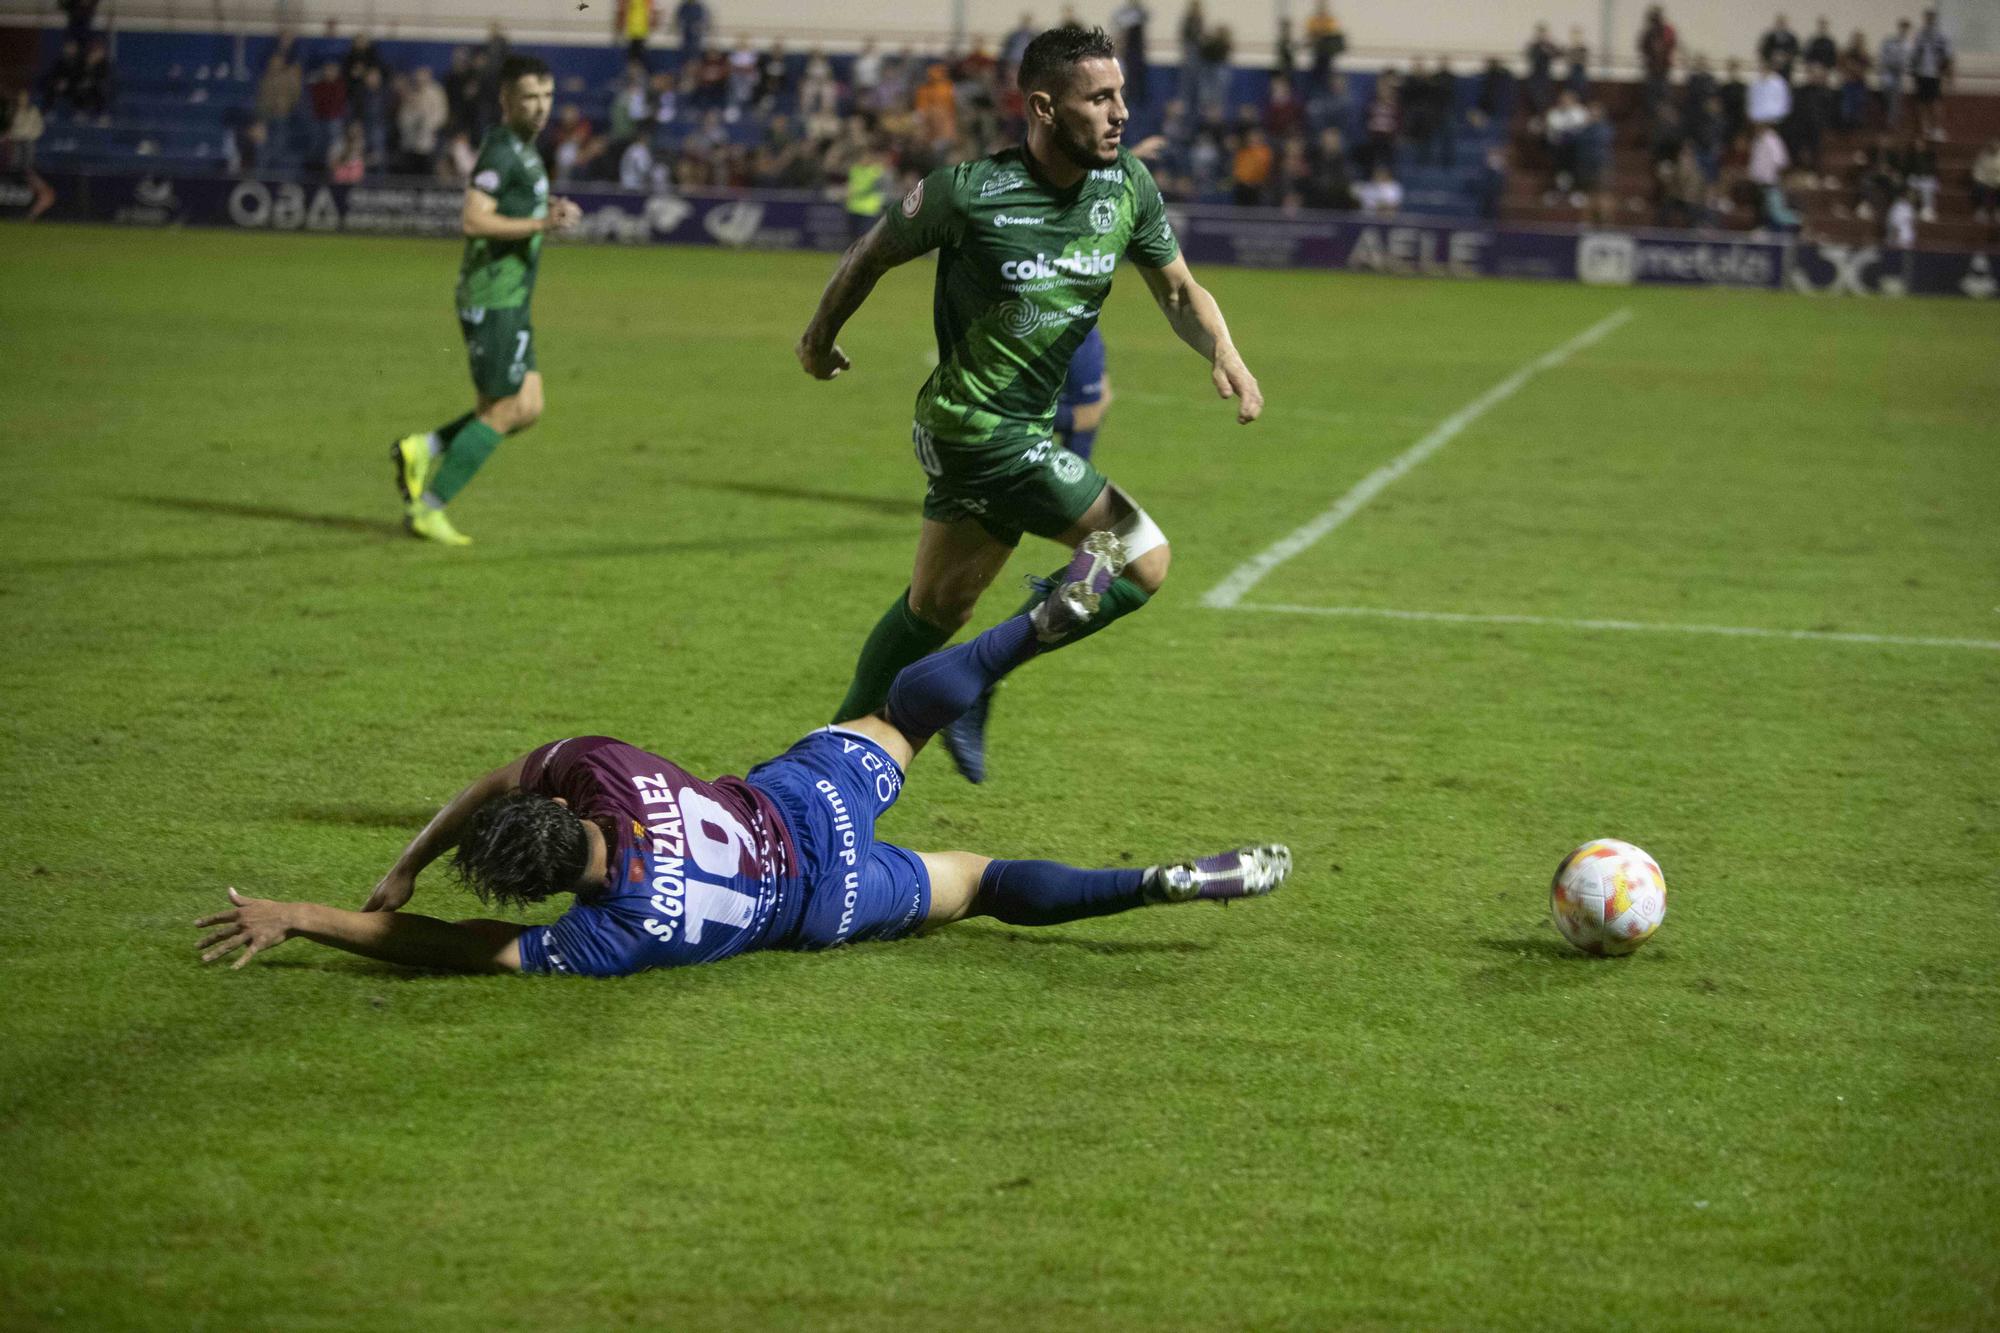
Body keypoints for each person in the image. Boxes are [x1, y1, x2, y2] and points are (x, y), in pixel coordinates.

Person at [193, 537, 1294, 977]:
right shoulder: (609, 770)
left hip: (830, 898)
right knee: (902, 714)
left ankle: (1155, 883)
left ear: (539, 888)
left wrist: (305, 914)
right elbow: (502, 776)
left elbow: (452, 948)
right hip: (799, 801)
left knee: (987, 883)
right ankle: (1028, 629)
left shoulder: (613, 933)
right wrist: (409, 853)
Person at [794, 25, 1261, 784]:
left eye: (1121, 96)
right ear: (1043, 107)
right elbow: (873, 252)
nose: (1120, 113)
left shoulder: (1126, 188)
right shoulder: (968, 192)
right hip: (978, 427)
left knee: (936, 607)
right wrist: (818, 339)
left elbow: (1179, 289)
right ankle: (975, 677)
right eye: (1099, 98)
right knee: (1140, 554)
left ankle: (819, 764)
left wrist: (1225, 349)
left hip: (1009, 430)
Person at [389, 55, 583, 546]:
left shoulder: (525, 151)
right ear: (506, 101)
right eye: (529, 99)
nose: (540, 108)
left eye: (547, 97)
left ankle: (422, 447)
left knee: (528, 405)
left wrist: (549, 210)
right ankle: (428, 510)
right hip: (492, 298)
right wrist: (541, 224)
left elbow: (517, 206)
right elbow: (473, 219)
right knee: (505, 410)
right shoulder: (501, 151)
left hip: (511, 296)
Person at [1909, 9, 1952, 142]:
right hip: (1921, 73)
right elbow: (1914, 55)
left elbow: (1947, 56)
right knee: (1921, 103)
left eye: (1932, 18)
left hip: (1934, 74)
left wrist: (1947, 73)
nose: (1929, 20)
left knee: (1935, 102)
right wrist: (1913, 71)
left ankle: (1937, 129)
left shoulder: (1941, 36)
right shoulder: (1920, 35)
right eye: (1927, 18)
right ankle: (1925, 128)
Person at [1877, 19, 1911, 131]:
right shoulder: (1890, 41)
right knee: (1888, 93)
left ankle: (1891, 122)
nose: (1904, 31)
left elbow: (1907, 62)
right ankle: (1890, 119)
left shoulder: (1908, 45)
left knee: (1895, 97)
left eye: (1906, 29)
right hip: (1888, 72)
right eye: (1902, 28)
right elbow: (1883, 56)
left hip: (1898, 74)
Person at [1758, 14, 1799, 80]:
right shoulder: (1769, 37)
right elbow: (1763, 50)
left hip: (1786, 68)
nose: (1781, 25)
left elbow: (1796, 51)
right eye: (1779, 23)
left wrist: (1785, 57)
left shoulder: (1791, 38)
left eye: (1783, 23)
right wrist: (1773, 57)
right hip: (1772, 67)